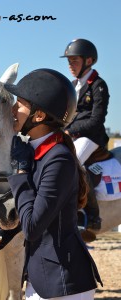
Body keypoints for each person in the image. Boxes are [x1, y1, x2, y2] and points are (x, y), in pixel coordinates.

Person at [0, 68, 103, 299]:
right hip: (43, 278)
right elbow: (34, 211)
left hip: (63, 281)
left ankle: (93, 217)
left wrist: (21, 172)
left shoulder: (58, 158)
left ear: (39, 116)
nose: (12, 109)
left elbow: (33, 226)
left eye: (20, 103)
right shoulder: (38, 151)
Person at [60, 38, 110, 230]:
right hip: (73, 135)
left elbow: (97, 120)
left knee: (74, 163)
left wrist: (70, 130)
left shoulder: (98, 85)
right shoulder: (73, 84)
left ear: (88, 61)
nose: (70, 65)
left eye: (74, 61)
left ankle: (92, 215)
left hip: (91, 137)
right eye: (69, 61)